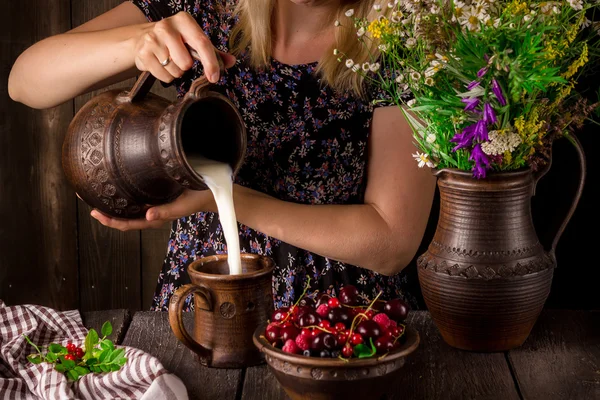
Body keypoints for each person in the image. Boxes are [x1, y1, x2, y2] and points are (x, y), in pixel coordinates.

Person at [8, 0, 436, 311]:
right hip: (202, 299)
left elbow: (391, 242)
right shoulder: (204, 9)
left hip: (342, 313)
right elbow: (26, 80)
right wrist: (136, 42)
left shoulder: (401, 42)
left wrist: (223, 199)